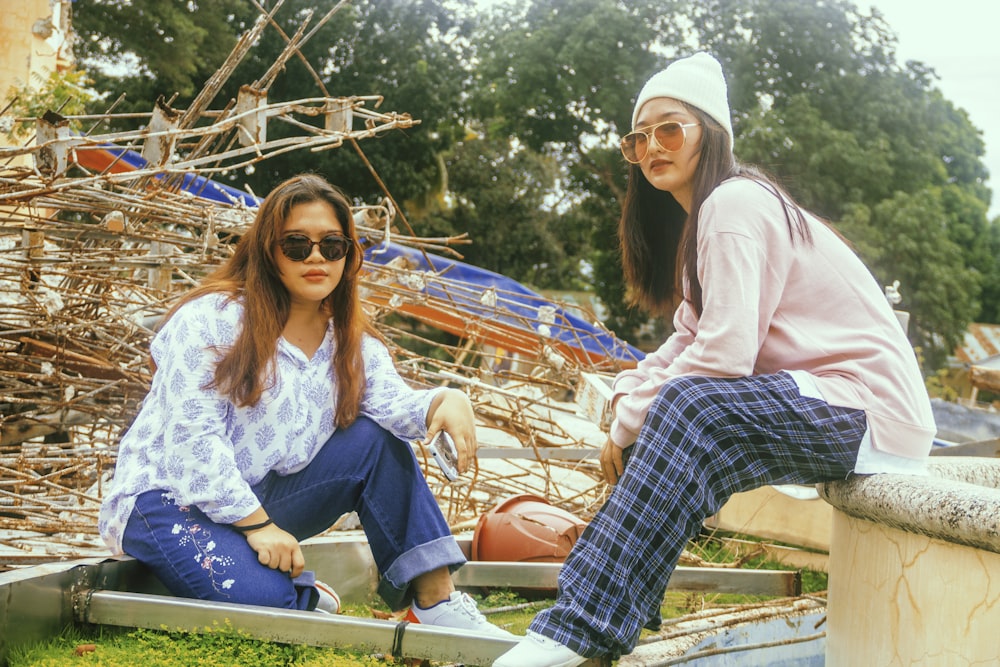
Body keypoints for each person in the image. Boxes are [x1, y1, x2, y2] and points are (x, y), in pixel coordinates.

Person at [493, 52, 935, 667]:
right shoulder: (707, 221)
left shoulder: (734, 205)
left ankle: (577, 628)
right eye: (637, 138)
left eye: (670, 129)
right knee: (677, 411)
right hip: (827, 401)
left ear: (712, 131)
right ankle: (613, 609)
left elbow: (724, 354)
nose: (652, 147)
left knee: (691, 409)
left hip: (865, 405)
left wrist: (627, 423)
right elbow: (686, 339)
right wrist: (627, 396)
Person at [98, 173, 511, 636]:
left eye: (331, 246)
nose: (316, 257)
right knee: (269, 609)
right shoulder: (211, 320)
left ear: (348, 256)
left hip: (263, 498)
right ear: (268, 251)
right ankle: (302, 595)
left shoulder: (349, 342)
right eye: (296, 245)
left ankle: (437, 603)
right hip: (167, 500)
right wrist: (257, 526)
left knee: (375, 441)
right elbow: (192, 440)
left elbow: (394, 405)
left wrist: (445, 398)